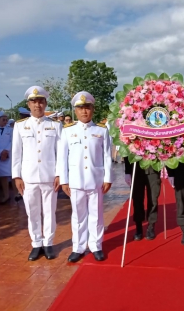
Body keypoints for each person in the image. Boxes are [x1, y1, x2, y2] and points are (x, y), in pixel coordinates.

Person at [58, 91, 112, 263]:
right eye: (80, 108)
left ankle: (96, 246)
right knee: (78, 216)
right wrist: (64, 180)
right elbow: (62, 157)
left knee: (96, 215)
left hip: (95, 179)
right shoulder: (67, 131)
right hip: (76, 180)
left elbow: (107, 156)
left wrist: (108, 178)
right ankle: (78, 247)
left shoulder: (101, 130)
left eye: (87, 108)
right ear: (75, 111)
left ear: (92, 109)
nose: (84, 111)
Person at [12, 86, 63, 261]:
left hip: (50, 176)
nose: (37, 105)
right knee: (32, 212)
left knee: (49, 211)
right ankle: (36, 243)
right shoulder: (20, 126)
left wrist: (59, 174)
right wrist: (16, 176)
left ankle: (48, 243)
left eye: (41, 101)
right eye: (34, 102)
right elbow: (16, 153)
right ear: (28, 104)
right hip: (28, 177)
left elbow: (60, 153)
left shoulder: (55, 125)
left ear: (45, 103)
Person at [124, 157, 161, 240]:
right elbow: (127, 152)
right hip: (136, 168)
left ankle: (151, 226)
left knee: (153, 198)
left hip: (153, 167)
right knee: (137, 199)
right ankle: (138, 226)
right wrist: (127, 171)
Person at [0, 111, 15, 204]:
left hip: (8, 155)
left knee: (12, 175)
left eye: (6, 120)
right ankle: (6, 195)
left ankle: (16, 194)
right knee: (2, 177)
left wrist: (6, 150)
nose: (5, 121)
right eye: (3, 120)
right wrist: (1, 151)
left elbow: (12, 141)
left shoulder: (10, 130)